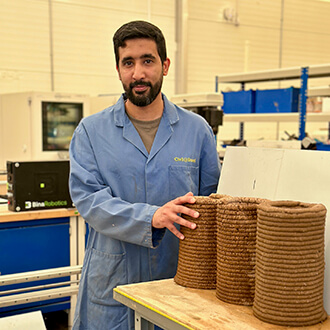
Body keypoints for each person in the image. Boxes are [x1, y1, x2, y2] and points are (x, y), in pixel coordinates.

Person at [69, 20, 221, 330]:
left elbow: (212, 204)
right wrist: (151, 217)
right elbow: (89, 201)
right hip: (113, 283)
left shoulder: (197, 132)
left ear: (165, 66)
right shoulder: (90, 131)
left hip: (178, 281)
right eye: (129, 62)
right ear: (119, 69)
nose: (138, 73)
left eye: (147, 61)